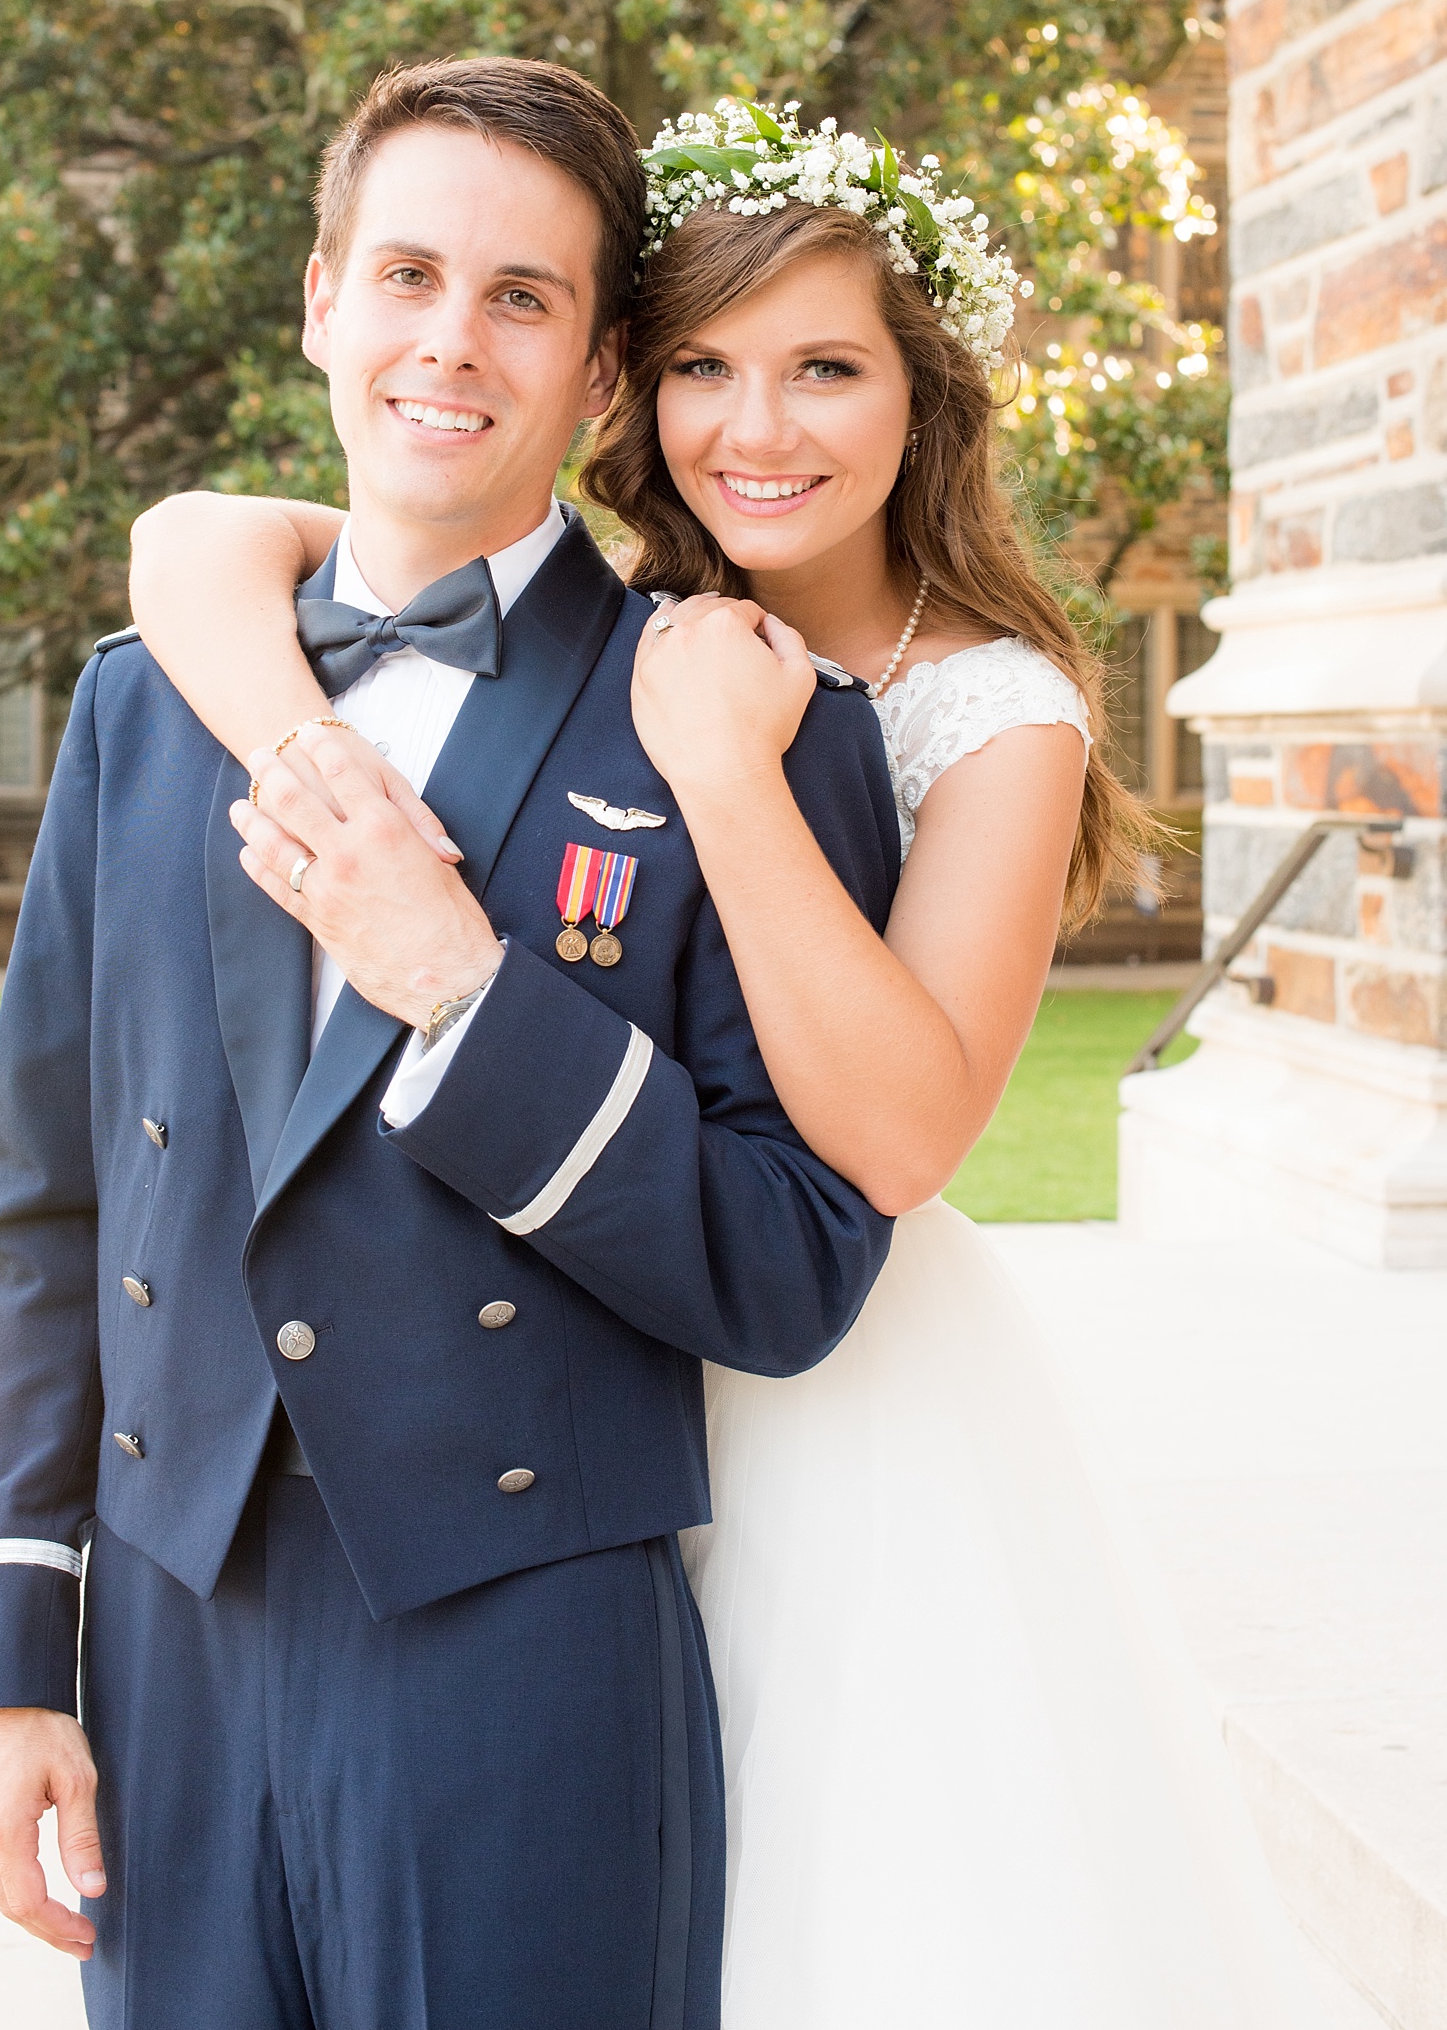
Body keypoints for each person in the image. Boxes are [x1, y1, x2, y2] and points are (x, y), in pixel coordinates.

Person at [131, 98, 1334, 2027]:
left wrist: (723, 772)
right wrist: (309, 750)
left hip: (822, 1394)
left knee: (821, 1923)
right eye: (703, 365)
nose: (756, 428)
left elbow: (900, 1135)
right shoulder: (599, 618)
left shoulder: (991, 711)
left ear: (923, 399)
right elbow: (197, 543)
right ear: (625, 383)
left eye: (827, 369)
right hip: (541, 1378)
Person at [0, 61, 907, 2030]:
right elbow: (46, 1198)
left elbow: (795, 1256)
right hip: (165, 1634)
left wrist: (468, 994)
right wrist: (3, 1653)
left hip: (526, 1644)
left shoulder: (747, 725)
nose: (447, 341)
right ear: (320, 299)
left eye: (521, 297)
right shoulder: (145, 709)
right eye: (404, 273)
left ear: (600, 373)